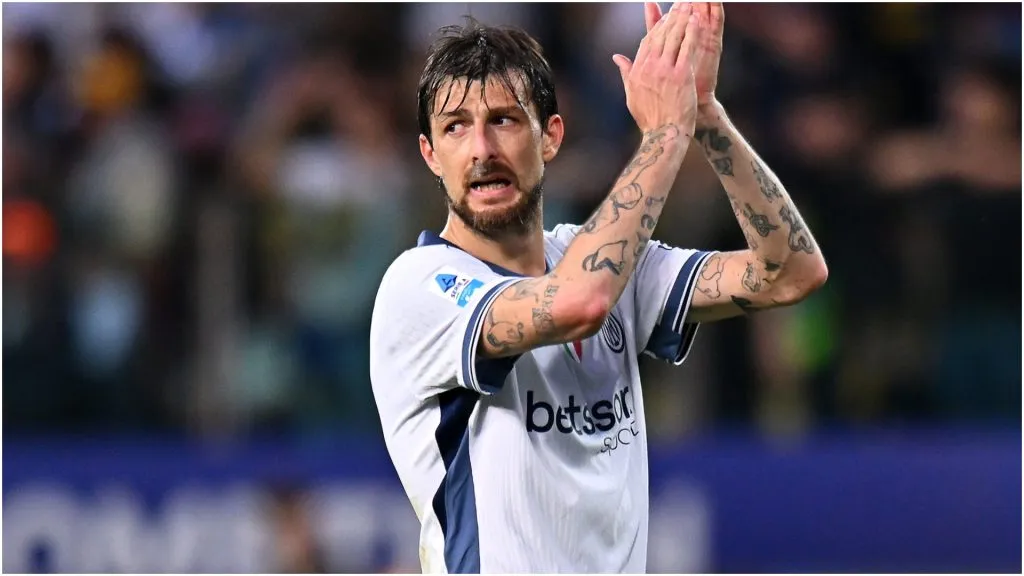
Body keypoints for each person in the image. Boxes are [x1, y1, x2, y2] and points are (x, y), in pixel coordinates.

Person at [370, 3, 827, 573]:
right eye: (455, 126)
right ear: (431, 155)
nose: (482, 148)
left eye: (505, 120)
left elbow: (791, 273)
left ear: (551, 137)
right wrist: (665, 133)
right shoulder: (419, 288)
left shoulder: (604, 262)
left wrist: (706, 118)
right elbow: (580, 302)